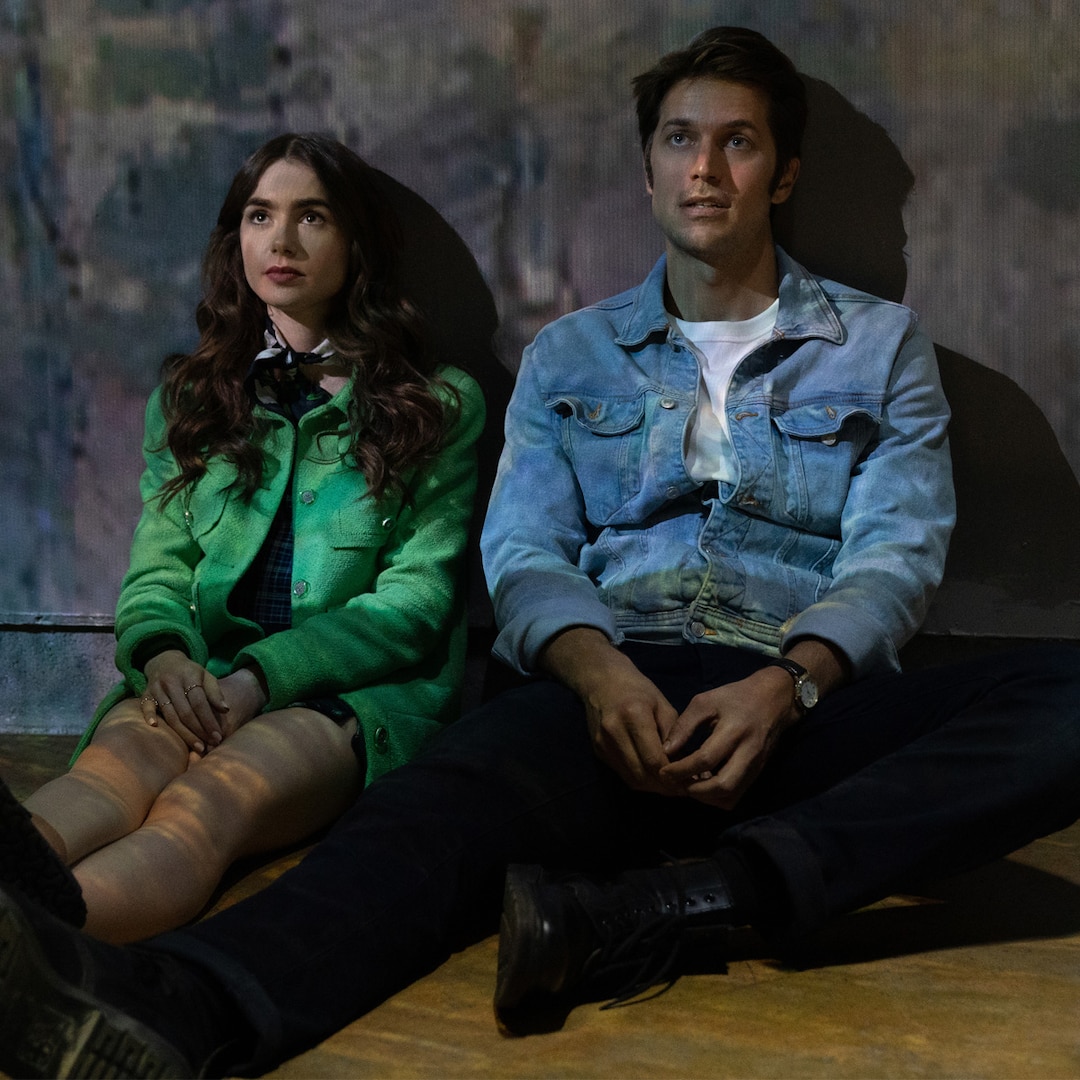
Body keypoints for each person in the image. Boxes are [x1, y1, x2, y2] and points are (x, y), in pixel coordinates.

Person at [0, 26, 1078, 1080]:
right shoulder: (572, 353)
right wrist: (597, 674)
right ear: (648, 170)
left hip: (795, 695)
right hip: (598, 686)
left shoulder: (880, 345)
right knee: (418, 823)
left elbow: (896, 554)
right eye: (679, 140)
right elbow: (524, 552)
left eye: (738, 142)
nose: (705, 169)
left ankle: (686, 904)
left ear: (783, 173)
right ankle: (177, 1007)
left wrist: (790, 687)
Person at [0, 133, 484, 944]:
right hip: (199, 673)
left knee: (205, 802)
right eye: (261, 216)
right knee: (107, 780)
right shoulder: (193, 397)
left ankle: (48, 958)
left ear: (356, 242)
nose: (281, 241)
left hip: (349, 698)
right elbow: (158, 569)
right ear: (238, 238)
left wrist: (263, 679)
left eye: (312, 217)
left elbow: (415, 605)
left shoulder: (435, 404)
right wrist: (164, 656)